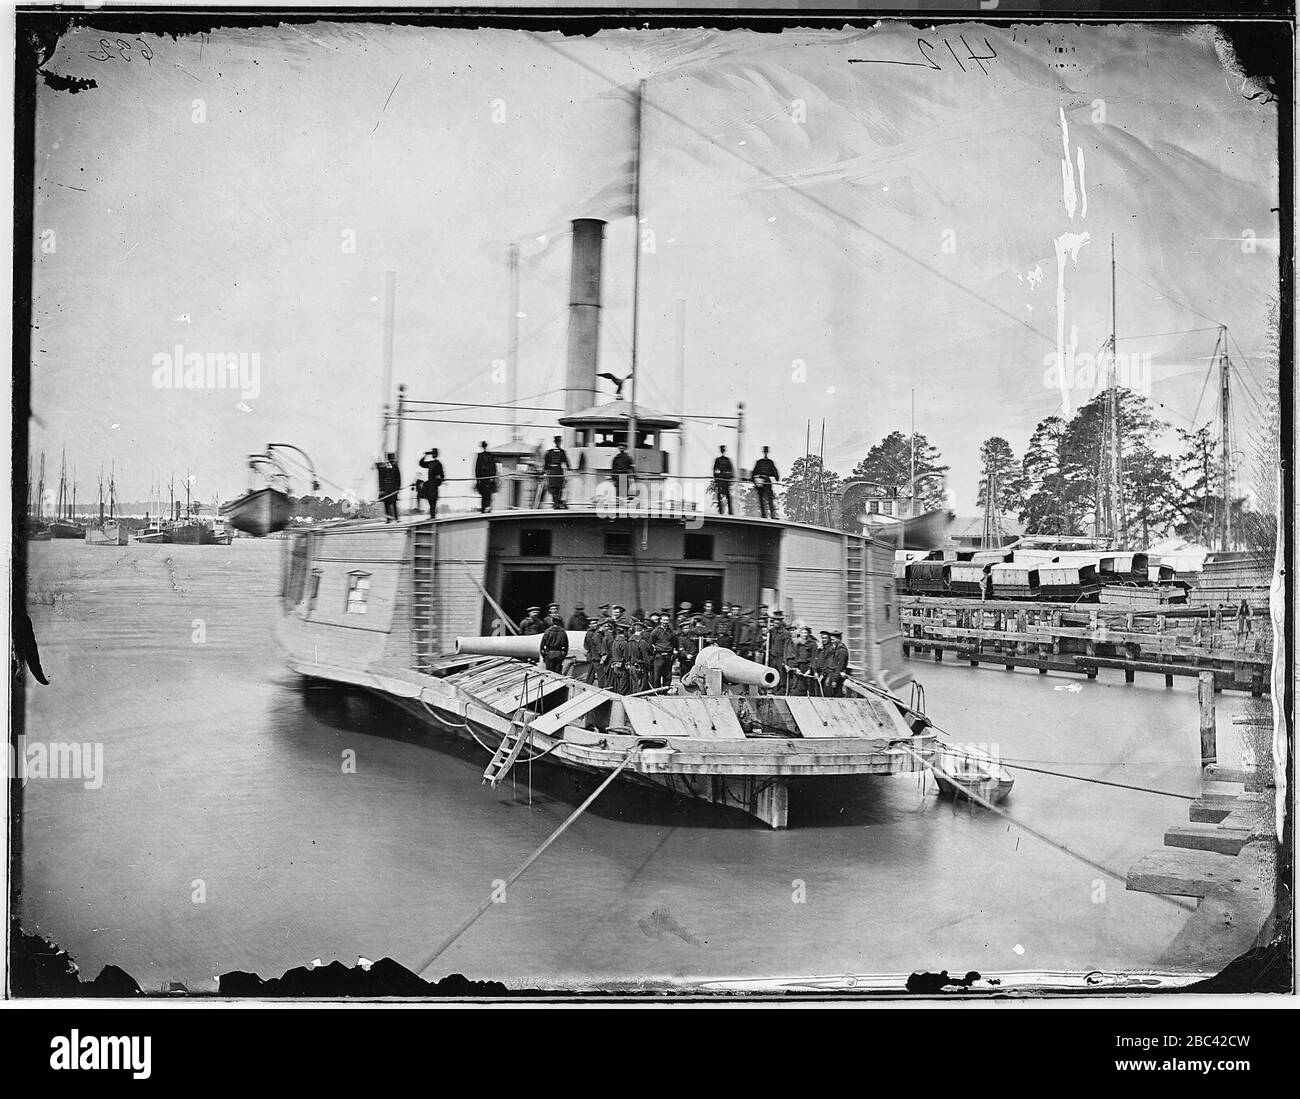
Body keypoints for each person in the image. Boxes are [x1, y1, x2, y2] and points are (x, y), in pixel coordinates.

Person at [785, 626, 817, 696]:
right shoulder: (797, 643)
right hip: (799, 666)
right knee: (797, 685)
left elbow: (813, 657)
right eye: (802, 633)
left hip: (808, 666)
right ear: (800, 634)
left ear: (808, 634)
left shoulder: (812, 644)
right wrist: (796, 668)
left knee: (809, 686)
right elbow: (796, 656)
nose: (804, 634)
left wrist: (809, 669)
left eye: (806, 633)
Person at [751, 446, 780, 519]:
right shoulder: (759, 462)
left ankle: (772, 515)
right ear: (763, 452)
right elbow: (753, 473)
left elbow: (774, 471)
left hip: (767, 481)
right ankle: (763, 515)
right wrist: (756, 481)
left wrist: (776, 477)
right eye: (765, 452)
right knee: (761, 499)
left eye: (766, 452)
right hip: (760, 481)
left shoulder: (770, 462)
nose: (765, 453)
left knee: (769, 498)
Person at [543, 435, 570, 509]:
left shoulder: (550, 452)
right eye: (559, 442)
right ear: (557, 442)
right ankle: (556, 502)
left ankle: (556, 502)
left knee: (557, 488)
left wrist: (544, 471)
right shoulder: (559, 452)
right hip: (556, 472)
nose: (559, 443)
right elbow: (566, 462)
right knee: (555, 488)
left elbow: (566, 462)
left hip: (555, 472)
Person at [649, 613, 675, 689]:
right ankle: (656, 692)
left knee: (667, 675)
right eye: (664, 620)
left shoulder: (671, 632)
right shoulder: (655, 631)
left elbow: (673, 643)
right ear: (660, 620)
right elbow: (650, 644)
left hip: (668, 656)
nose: (665, 622)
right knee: (657, 676)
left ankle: (665, 691)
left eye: (667, 620)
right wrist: (654, 654)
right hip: (658, 656)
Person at [417, 448, 445, 517]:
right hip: (430, 484)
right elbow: (421, 463)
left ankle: (433, 516)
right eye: (432, 454)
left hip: (434, 484)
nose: (433, 455)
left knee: (433, 500)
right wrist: (425, 456)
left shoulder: (438, 463)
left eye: (434, 454)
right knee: (430, 499)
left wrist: (439, 482)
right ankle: (432, 515)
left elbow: (442, 474)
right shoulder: (431, 463)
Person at [375, 452, 401, 522]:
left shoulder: (395, 467)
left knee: (394, 503)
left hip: (393, 488)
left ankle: (396, 518)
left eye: (392, 460)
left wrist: (398, 488)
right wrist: (381, 489)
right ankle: (388, 519)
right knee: (386, 503)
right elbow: (381, 478)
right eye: (390, 460)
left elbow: (398, 478)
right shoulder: (384, 467)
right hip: (386, 488)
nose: (391, 461)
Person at [823, 630, 849, 697]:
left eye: (833, 640)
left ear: (839, 639)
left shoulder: (842, 651)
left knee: (835, 696)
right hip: (830, 675)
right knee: (828, 694)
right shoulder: (834, 650)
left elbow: (839, 667)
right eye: (831, 640)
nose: (831, 642)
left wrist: (835, 680)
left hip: (836, 677)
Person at [473, 441, 498, 513]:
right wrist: (478, 479)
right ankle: (484, 508)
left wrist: (493, 478)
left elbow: (493, 467)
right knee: (484, 494)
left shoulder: (490, 456)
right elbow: (477, 468)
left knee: (489, 494)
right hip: (483, 479)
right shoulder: (480, 456)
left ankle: (488, 507)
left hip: (489, 478)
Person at [712, 445, 735, 515]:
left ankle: (730, 512)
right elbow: (715, 470)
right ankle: (720, 511)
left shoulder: (728, 460)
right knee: (719, 496)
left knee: (728, 496)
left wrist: (728, 477)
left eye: (723, 450)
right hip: (720, 480)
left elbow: (731, 470)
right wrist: (716, 478)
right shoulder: (717, 460)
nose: (722, 451)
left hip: (726, 480)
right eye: (722, 450)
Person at [583, 619, 604, 684]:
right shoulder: (592, 634)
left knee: (590, 674)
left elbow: (586, 646)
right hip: (595, 656)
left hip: (592, 656)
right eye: (592, 623)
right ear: (590, 625)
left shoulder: (591, 633)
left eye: (595, 623)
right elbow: (588, 646)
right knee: (600, 675)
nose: (594, 625)